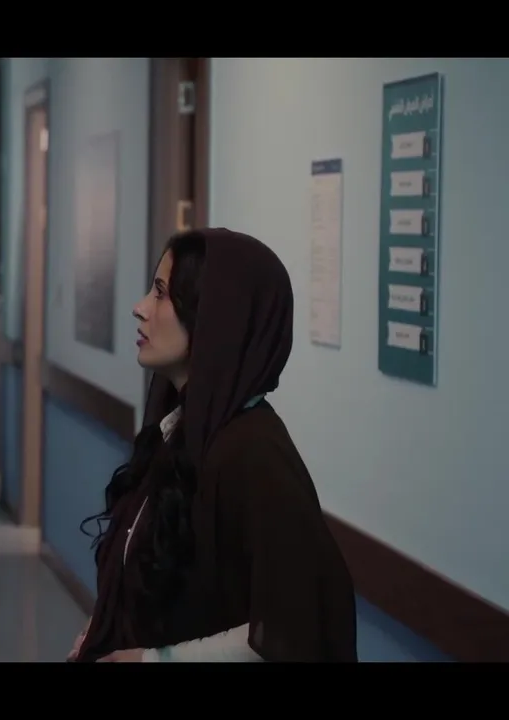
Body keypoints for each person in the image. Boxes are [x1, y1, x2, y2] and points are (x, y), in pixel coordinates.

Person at [67, 228, 358, 663]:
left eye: (160, 293)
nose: (140, 308)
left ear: (213, 317)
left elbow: (289, 630)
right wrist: (105, 626)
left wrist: (151, 661)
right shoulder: (183, 430)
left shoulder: (254, 452)